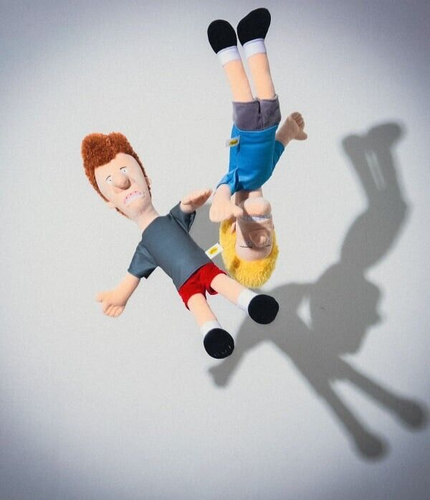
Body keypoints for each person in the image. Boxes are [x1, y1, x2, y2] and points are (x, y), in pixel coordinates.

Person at [81, 132, 279, 359]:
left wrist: (189, 204)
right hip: (184, 284)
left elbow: (184, 208)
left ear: (146, 179)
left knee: (222, 282)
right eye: (110, 180)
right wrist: (119, 295)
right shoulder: (145, 248)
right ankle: (212, 333)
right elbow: (131, 277)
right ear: (109, 202)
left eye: (125, 170)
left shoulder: (172, 219)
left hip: (203, 266)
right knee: (198, 305)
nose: (121, 181)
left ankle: (252, 301)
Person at [207, 8, 307, 287]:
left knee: (242, 94)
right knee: (267, 92)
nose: (261, 237)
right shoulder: (265, 174)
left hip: (246, 129)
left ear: (233, 232)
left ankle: (226, 49)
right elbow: (277, 147)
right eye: (266, 243)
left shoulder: (239, 179)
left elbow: (224, 185)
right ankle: (252, 40)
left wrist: (221, 201)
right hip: (272, 123)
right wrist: (291, 130)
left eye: (250, 243)